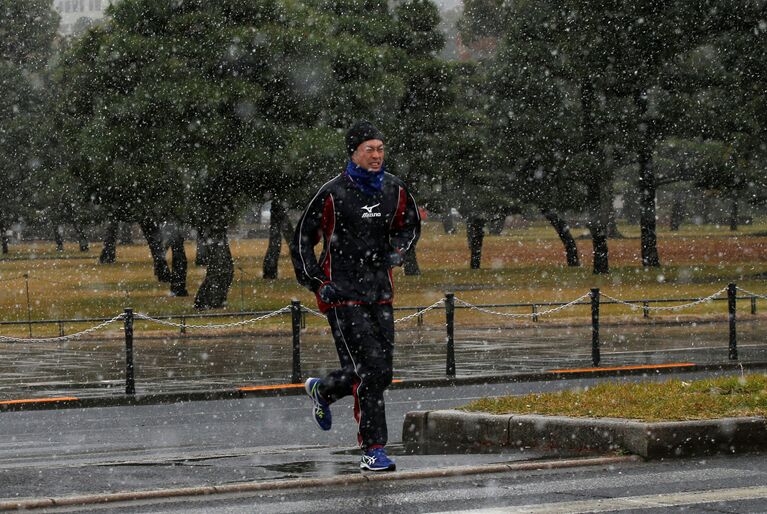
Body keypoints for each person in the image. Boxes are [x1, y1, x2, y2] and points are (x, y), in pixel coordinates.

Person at [291, 120, 421, 472]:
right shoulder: (333, 193)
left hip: (380, 293)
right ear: (354, 153)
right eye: (369, 150)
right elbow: (303, 239)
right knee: (369, 370)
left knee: (381, 372)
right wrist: (318, 282)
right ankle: (373, 449)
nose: (377, 155)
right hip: (342, 295)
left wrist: (397, 251)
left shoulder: (394, 189)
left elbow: (410, 225)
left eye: (380, 149)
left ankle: (325, 391)